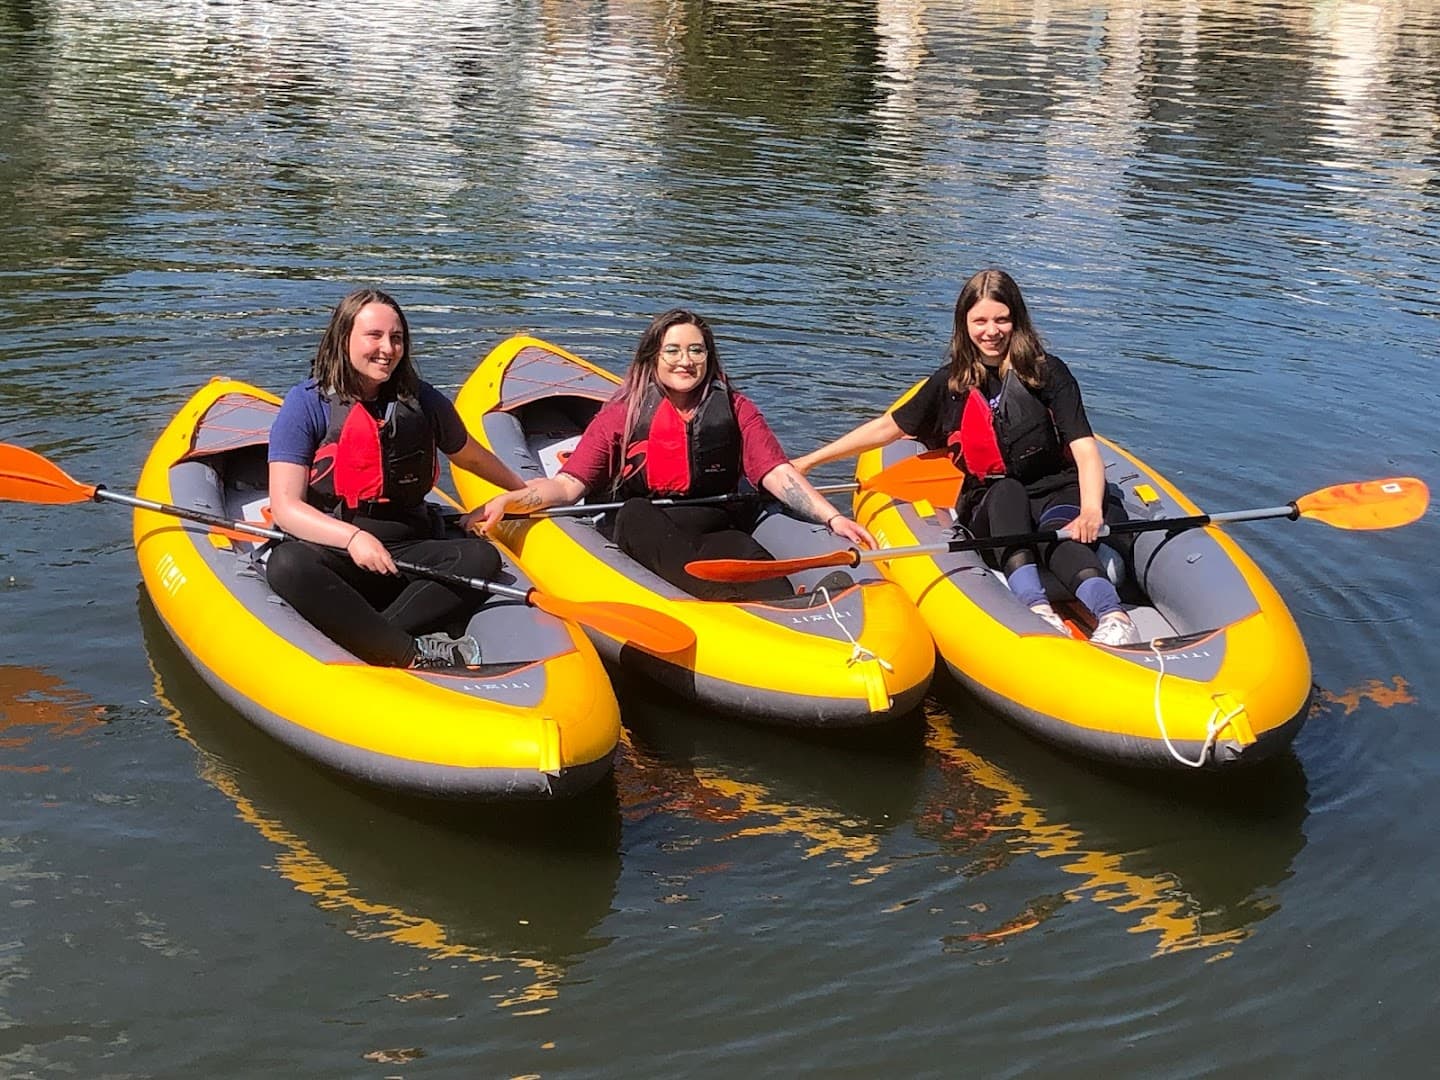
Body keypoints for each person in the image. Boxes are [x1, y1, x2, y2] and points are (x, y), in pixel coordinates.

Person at [792, 269, 1143, 646]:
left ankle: (1114, 615)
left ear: (1017, 321)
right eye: (980, 321)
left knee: (1061, 536)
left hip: (1056, 489)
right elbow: (887, 429)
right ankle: (1037, 609)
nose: (991, 331)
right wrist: (810, 461)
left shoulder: (1048, 373)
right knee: (1008, 492)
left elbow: (1083, 447)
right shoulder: (951, 382)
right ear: (965, 324)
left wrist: (1091, 510)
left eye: (1001, 319)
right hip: (992, 501)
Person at [478, 307, 874, 602]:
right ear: (653, 357)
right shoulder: (623, 413)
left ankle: (788, 602)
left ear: (709, 357)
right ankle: (712, 596)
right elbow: (568, 486)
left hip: (713, 522)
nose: (685, 361)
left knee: (748, 555)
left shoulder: (736, 409)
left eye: (696, 351)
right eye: (673, 351)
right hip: (644, 521)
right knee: (636, 514)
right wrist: (515, 499)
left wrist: (834, 517)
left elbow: (775, 472)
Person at [265, 288, 528, 669]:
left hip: (406, 550)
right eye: (374, 336)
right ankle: (408, 652)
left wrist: (523, 491)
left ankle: (368, 637)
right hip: (336, 551)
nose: (387, 349)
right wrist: (353, 538)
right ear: (344, 339)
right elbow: (286, 507)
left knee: (481, 557)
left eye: (397, 338)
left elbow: (469, 455)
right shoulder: (306, 404)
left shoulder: (422, 401)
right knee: (287, 565)